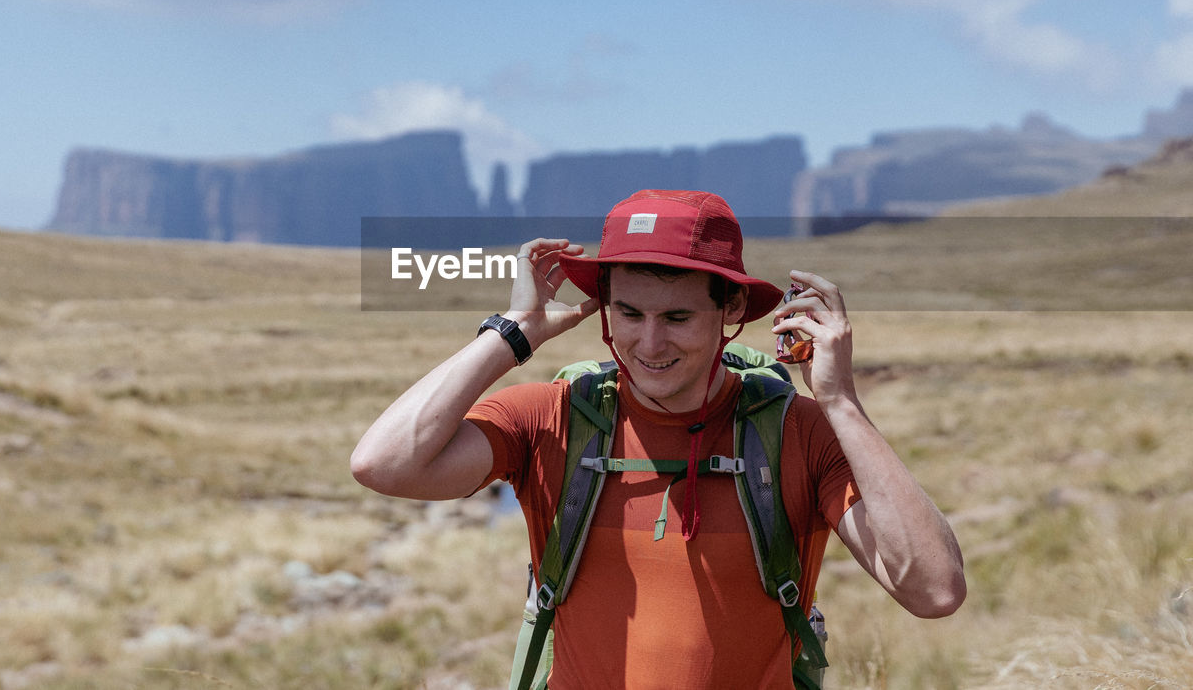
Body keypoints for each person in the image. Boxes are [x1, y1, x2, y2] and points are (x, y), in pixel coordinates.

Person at [351, 189, 965, 689]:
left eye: (676, 317)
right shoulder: (550, 419)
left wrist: (840, 402)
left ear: (730, 311)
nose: (649, 345)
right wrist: (513, 333)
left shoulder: (798, 433)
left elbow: (934, 590)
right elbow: (383, 464)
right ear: (605, 311)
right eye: (629, 314)